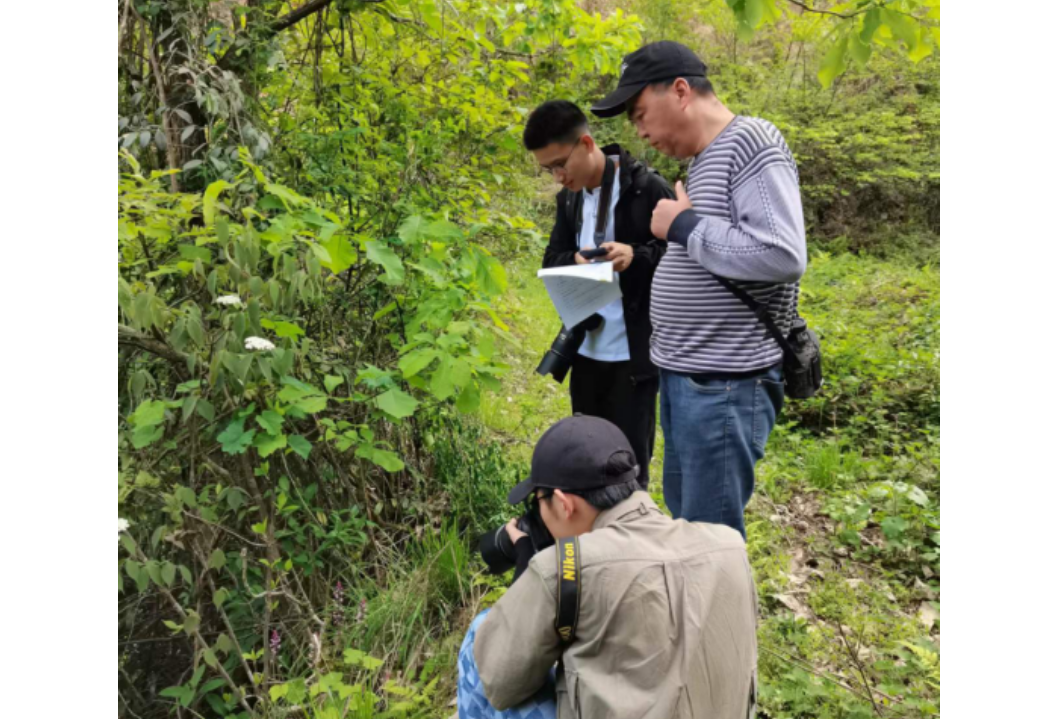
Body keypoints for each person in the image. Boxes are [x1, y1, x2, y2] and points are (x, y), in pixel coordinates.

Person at [591, 42, 809, 538]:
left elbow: (781, 255)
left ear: (682, 91)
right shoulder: (706, 158)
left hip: (725, 384)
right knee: (687, 524)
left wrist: (683, 225)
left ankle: (716, 617)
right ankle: (687, 614)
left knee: (710, 541)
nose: (640, 132)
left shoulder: (751, 141)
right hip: (688, 377)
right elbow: (714, 258)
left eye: (641, 114)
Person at [457, 416, 759, 719]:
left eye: (538, 502)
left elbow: (499, 681)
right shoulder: (730, 546)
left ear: (563, 503)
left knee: (481, 634)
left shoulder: (564, 566)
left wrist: (531, 564)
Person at [525, 101, 673, 490]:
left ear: (587, 143)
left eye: (560, 164)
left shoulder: (646, 189)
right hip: (587, 350)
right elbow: (552, 257)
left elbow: (680, 258)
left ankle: (633, 542)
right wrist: (575, 259)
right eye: (547, 170)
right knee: (587, 461)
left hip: (634, 356)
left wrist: (634, 256)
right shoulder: (570, 200)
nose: (557, 176)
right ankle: (590, 545)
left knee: (630, 464)